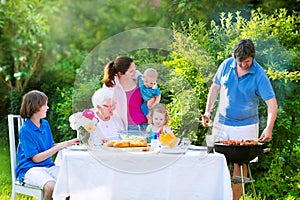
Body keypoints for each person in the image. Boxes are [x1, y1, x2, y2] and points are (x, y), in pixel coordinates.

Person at [201, 39, 278, 200]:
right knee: (214, 160)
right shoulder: (226, 65)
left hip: (246, 126)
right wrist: (207, 111)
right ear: (234, 57)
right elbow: (215, 87)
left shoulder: (259, 75)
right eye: (240, 61)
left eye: (247, 61)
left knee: (240, 165)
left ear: (253, 57)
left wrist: (269, 127)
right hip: (221, 122)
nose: (243, 65)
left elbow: (272, 104)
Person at [16, 90, 80, 200]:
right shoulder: (25, 130)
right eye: (45, 104)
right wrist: (60, 146)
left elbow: (50, 147)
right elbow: (36, 158)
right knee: (51, 187)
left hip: (48, 166)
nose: (48, 107)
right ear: (35, 107)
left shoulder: (45, 124)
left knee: (71, 183)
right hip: (30, 169)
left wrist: (68, 143)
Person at [102, 56, 148, 131]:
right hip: (128, 128)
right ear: (120, 73)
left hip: (145, 125)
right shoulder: (111, 87)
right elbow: (103, 106)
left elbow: (152, 95)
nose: (135, 72)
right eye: (131, 71)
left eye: (135, 69)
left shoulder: (141, 80)